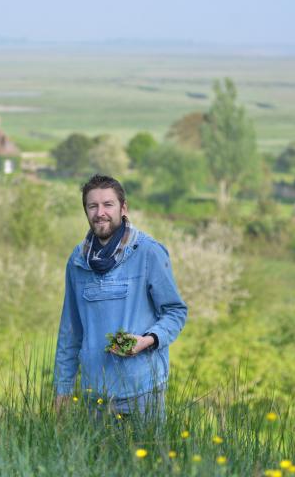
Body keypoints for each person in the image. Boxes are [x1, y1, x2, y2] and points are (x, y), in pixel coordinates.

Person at [53, 174, 187, 420]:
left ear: (123, 208)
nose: (99, 212)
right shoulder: (78, 261)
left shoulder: (148, 252)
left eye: (108, 204)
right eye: (92, 206)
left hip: (143, 391)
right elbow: (70, 332)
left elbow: (175, 312)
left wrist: (147, 341)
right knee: (96, 460)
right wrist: (62, 390)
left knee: (147, 458)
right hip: (94, 395)